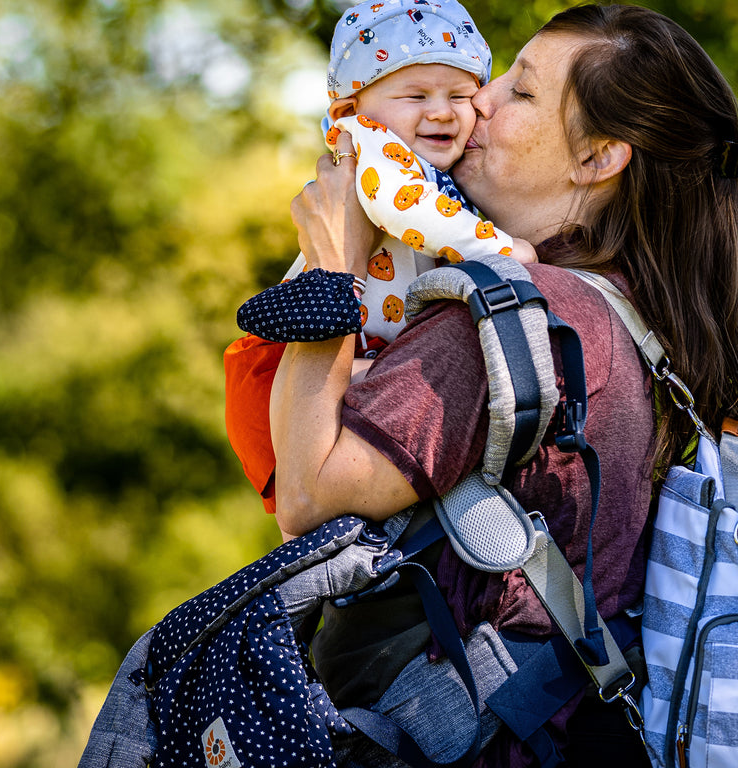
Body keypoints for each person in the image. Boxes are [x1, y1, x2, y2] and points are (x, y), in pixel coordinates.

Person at [278, 4, 738, 768]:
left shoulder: (507, 322)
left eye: (520, 91)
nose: (478, 100)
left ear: (598, 157)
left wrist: (326, 276)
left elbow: (308, 494)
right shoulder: (655, 328)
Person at [223, 0, 534, 514]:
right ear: (351, 111)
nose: (440, 111)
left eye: (460, 95)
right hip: (304, 358)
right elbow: (407, 210)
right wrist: (502, 249)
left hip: (361, 353)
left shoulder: (430, 165)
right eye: (415, 95)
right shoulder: (374, 147)